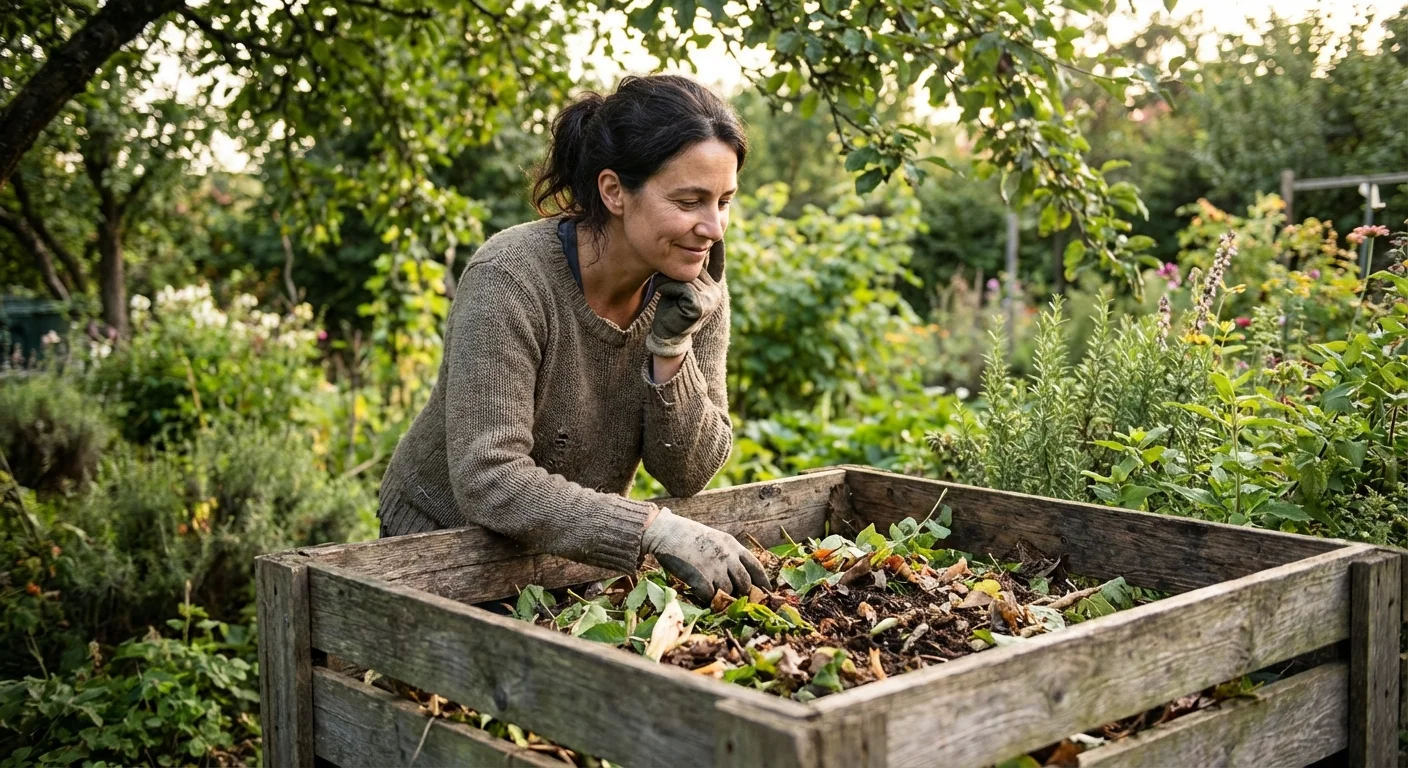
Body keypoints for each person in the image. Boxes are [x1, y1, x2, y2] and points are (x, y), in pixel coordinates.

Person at [376, 74, 768, 601]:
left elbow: (688, 472)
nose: (714, 228)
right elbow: (490, 477)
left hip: (568, 555)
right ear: (614, 191)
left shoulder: (693, 286)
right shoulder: (511, 277)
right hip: (440, 549)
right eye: (690, 200)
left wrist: (672, 352)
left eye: (724, 201)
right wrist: (653, 529)